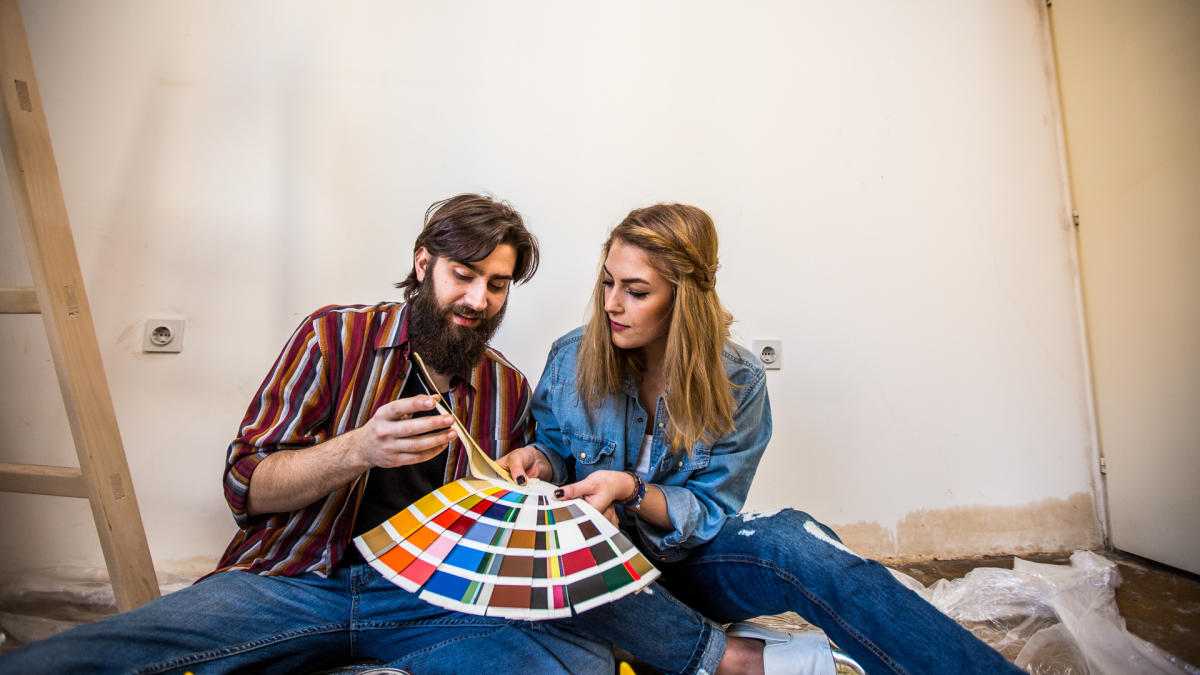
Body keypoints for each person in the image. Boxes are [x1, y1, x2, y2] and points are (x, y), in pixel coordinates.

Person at [0, 194, 620, 674]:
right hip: (295, 584)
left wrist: (535, 487)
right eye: (464, 274)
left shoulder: (507, 387)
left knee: (582, 662)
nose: (478, 298)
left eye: (497, 284)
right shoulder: (333, 337)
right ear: (423, 263)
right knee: (99, 654)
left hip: (424, 603)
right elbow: (246, 485)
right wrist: (359, 449)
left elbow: (507, 529)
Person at [500, 203, 1025, 674]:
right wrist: (539, 463)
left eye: (636, 292)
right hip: (599, 566)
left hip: (682, 567)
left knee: (798, 539)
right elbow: (556, 453)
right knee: (551, 573)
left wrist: (631, 490)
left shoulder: (739, 380)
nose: (612, 304)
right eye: (607, 283)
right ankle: (730, 658)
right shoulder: (571, 358)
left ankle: (665, 643)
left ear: (683, 300)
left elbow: (709, 510)